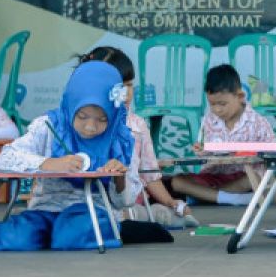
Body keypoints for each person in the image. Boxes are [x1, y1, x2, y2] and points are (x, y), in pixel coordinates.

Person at [0, 61, 138, 251]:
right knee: (17, 238)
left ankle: (56, 235)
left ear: (113, 114)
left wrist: (120, 177)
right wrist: (48, 163)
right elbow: (4, 158)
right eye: (82, 116)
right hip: (45, 209)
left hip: (90, 211)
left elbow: (125, 202)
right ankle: (42, 234)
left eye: (102, 119)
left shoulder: (121, 137)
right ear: (70, 103)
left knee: (71, 234)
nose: (90, 126)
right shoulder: (49, 126)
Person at [77, 45, 196, 228]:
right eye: (119, 86)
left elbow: (150, 175)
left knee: (157, 215)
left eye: (130, 85)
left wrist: (171, 202)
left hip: (129, 204)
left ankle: (158, 215)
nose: (126, 93)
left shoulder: (137, 126)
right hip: (86, 203)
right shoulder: (80, 123)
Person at [165, 64, 276, 206]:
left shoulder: (258, 122)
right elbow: (207, 156)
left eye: (222, 104)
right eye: (212, 104)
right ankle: (229, 198)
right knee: (177, 181)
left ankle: (206, 196)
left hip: (244, 176)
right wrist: (202, 151)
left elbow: (273, 154)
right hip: (215, 176)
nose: (217, 109)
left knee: (252, 178)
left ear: (240, 96)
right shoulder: (209, 120)